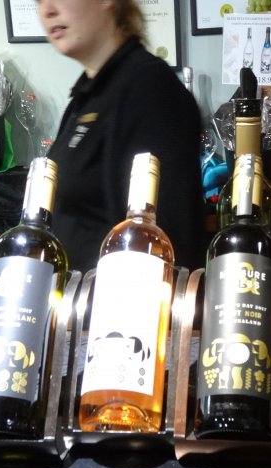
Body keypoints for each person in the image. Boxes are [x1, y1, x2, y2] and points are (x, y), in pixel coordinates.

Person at [37, 0, 207, 272]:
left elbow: (164, 249)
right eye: (38, 1)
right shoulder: (85, 98)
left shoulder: (151, 89)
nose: (47, 10)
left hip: (117, 297)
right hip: (71, 294)